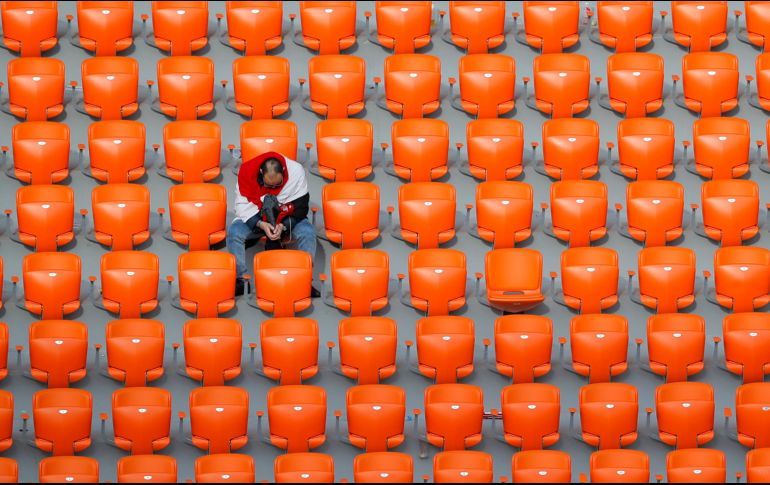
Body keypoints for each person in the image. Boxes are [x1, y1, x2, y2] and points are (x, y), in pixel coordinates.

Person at [226, 151, 319, 297]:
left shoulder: (296, 171)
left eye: (278, 184)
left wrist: (283, 226)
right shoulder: (246, 173)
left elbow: (301, 206)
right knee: (234, 233)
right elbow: (242, 206)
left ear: (283, 170)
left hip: (287, 216)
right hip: (256, 215)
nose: (273, 189)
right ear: (261, 173)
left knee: (308, 232)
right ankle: (241, 280)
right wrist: (261, 224)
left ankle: (305, 280)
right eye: (269, 184)